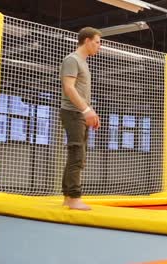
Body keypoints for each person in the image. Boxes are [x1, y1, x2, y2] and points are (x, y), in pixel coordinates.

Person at [59, 27, 101, 210]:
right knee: (77, 155)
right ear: (87, 41)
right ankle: (75, 197)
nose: (99, 46)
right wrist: (85, 110)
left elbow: (81, 92)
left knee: (77, 156)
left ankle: (68, 197)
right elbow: (69, 88)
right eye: (97, 42)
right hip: (73, 113)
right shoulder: (72, 59)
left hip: (80, 112)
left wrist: (90, 111)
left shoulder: (83, 62)